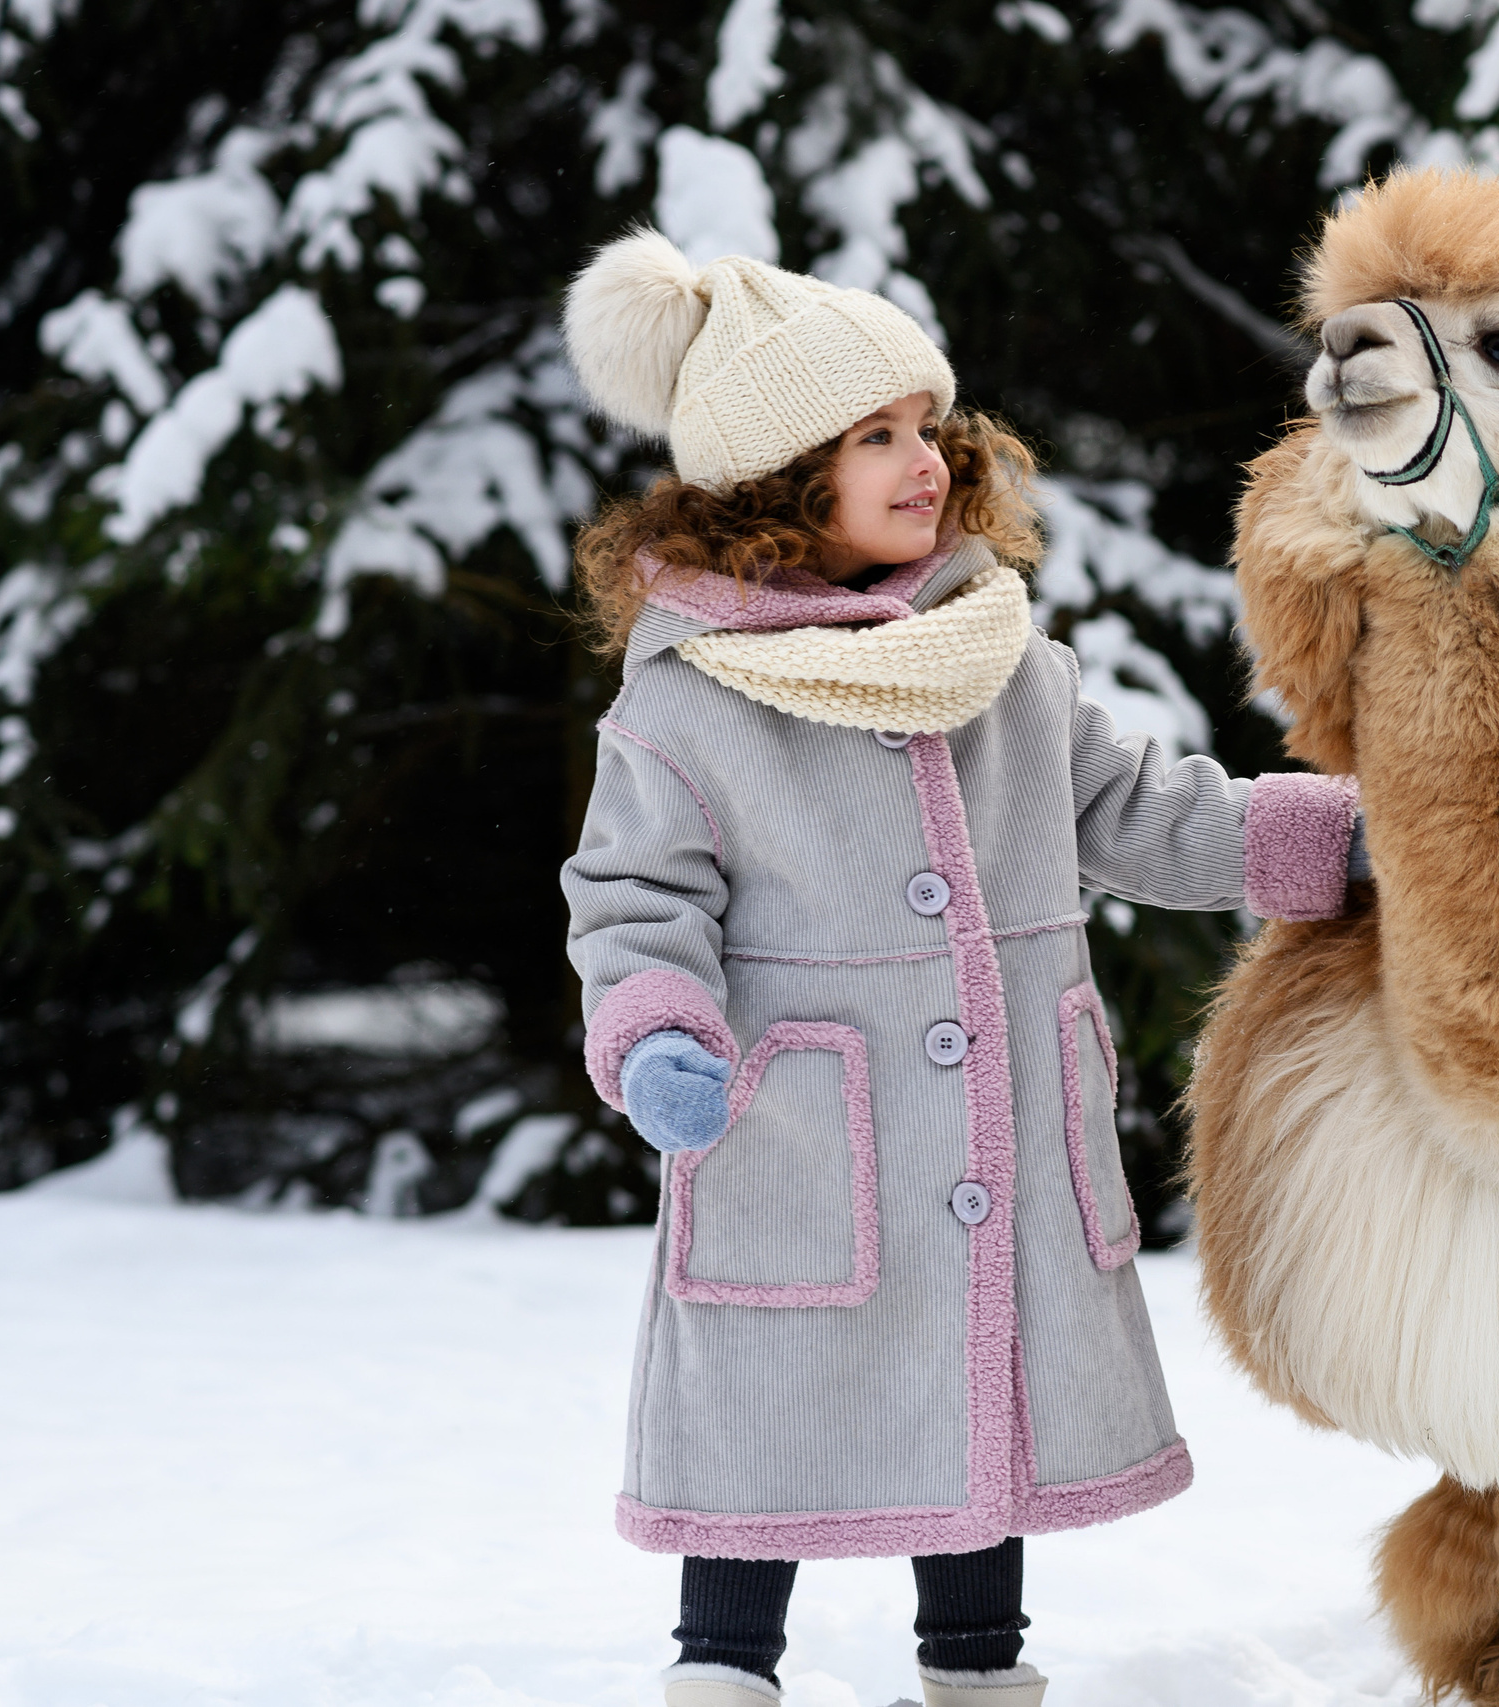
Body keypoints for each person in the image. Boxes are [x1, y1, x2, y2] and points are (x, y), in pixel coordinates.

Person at [556, 230, 1364, 1707]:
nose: (921, 460)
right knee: (769, 1405)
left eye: (926, 426)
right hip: (801, 1132)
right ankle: (724, 1668)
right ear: (781, 483)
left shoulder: (1001, 659)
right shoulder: (687, 703)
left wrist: (1343, 844)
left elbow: (1140, 810)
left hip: (998, 1117)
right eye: (872, 438)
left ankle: (978, 1670)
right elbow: (632, 901)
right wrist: (657, 1028)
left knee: (989, 1378)